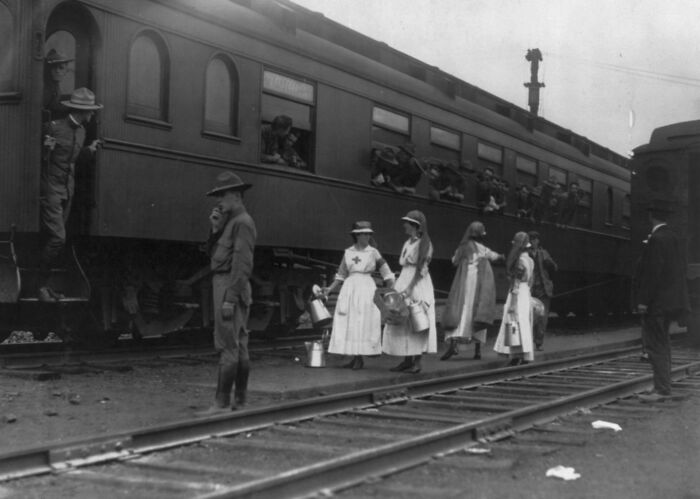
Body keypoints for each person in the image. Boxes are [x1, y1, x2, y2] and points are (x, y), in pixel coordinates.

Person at [38, 88, 103, 302]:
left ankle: (47, 287)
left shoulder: (82, 132)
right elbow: (37, 154)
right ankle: (39, 286)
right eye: (90, 111)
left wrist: (89, 151)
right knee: (58, 238)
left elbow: (72, 160)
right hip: (51, 190)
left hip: (67, 190)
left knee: (58, 239)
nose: (92, 115)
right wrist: (44, 148)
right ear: (81, 111)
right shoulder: (53, 127)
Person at [202, 171, 257, 413]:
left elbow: (242, 264)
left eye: (221, 197)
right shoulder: (231, 223)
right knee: (239, 344)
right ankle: (240, 401)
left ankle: (221, 403)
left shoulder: (242, 223)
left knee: (228, 345)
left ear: (235, 196)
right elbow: (214, 256)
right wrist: (214, 230)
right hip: (227, 285)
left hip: (229, 287)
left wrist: (230, 299)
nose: (218, 202)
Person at [634, 202, 689, 402]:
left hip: (657, 303)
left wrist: (643, 301)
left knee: (656, 344)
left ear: (651, 216)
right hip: (671, 301)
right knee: (663, 343)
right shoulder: (674, 237)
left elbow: (652, 273)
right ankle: (663, 385)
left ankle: (662, 389)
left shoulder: (656, 239)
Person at [323, 221, 394, 369]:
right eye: (364, 233)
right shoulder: (348, 252)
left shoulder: (373, 252)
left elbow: (386, 272)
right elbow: (341, 274)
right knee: (351, 320)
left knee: (363, 320)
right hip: (350, 288)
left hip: (366, 288)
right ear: (357, 235)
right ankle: (354, 356)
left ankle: (360, 356)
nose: (367, 236)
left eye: (369, 234)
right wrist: (329, 289)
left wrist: (391, 289)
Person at [382, 210, 437, 373]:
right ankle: (407, 359)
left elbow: (421, 270)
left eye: (407, 222)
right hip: (405, 278)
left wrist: (409, 288)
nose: (404, 225)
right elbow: (406, 264)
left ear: (415, 226)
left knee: (417, 318)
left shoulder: (425, 244)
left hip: (417, 283)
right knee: (403, 320)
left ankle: (417, 361)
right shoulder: (408, 242)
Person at [441, 221, 503, 361]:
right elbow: (494, 256)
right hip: (480, 284)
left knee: (460, 309)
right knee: (477, 311)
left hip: (464, 283)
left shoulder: (464, 247)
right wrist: (502, 256)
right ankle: (478, 350)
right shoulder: (483, 249)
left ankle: (453, 344)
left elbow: (454, 261)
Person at [494, 232, 535, 366]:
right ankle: (524, 354)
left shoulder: (520, 261)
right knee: (523, 323)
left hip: (517, 294)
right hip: (526, 293)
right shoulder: (530, 260)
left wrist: (512, 303)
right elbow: (531, 281)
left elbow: (515, 283)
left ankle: (515, 354)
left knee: (513, 322)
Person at [527, 231, 558, 351]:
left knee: (542, 318)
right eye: (531, 239)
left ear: (538, 241)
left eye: (535, 239)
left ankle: (538, 343)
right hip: (531, 290)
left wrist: (549, 263)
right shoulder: (526, 254)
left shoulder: (543, 253)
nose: (534, 241)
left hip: (543, 290)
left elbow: (555, 267)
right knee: (530, 317)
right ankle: (529, 342)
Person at [42, 49, 74, 122]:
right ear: (49, 69)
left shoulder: (55, 84)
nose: (57, 71)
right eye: (54, 67)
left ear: (66, 70)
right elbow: (50, 107)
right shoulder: (46, 87)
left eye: (61, 68)